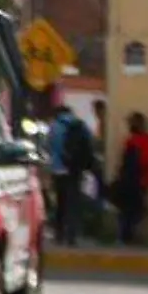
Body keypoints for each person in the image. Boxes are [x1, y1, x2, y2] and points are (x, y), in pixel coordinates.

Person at [109, 112, 148, 244]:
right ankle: (127, 236)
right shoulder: (144, 140)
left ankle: (125, 236)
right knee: (132, 210)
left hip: (136, 181)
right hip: (138, 181)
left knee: (129, 210)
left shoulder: (138, 141)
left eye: (132, 123)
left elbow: (147, 161)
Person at [48, 103, 97, 245]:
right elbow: (89, 144)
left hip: (58, 169)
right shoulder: (80, 125)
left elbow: (49, 146)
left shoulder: (55, 126)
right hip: (75, 169)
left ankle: (59, 234)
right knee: (73, 203)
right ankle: (72, 236)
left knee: (60, 203)